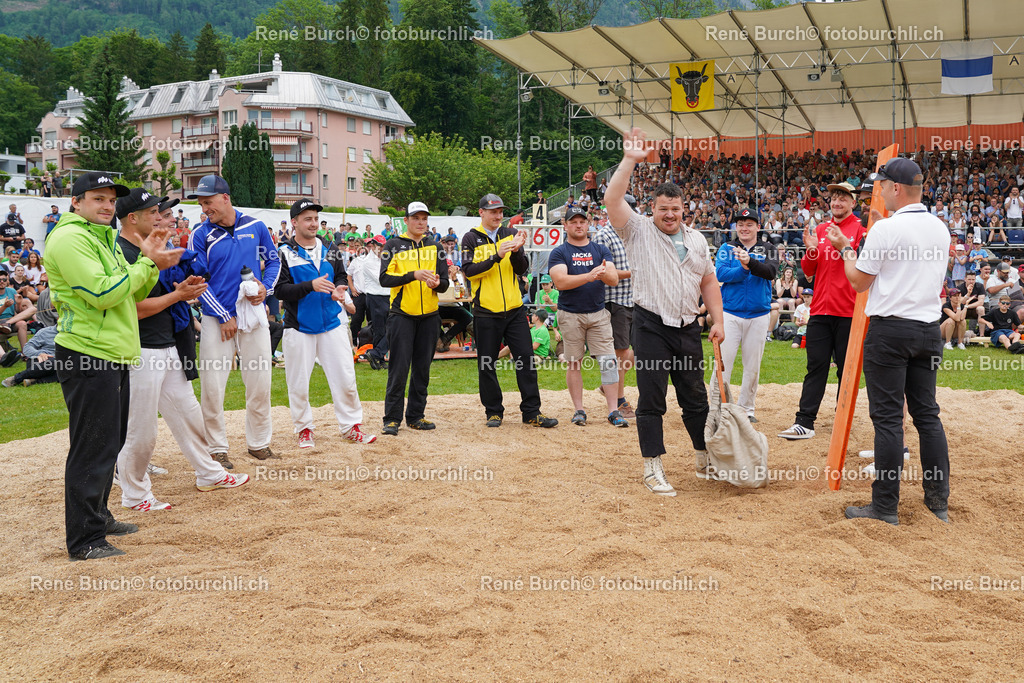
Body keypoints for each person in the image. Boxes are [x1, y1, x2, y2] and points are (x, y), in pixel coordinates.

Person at [46, 171, 183, 560]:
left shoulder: (100, 237)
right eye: (97, 199)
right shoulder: (71, 238)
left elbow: (132, 291)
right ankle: (85, 540)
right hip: (87, 353)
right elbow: (104, 293)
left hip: (110, 353)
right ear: (76, 202)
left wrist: (150, 263)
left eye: (110, 200)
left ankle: (99, 517)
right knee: (92, 448)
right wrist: (147, 262)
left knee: (108, 443)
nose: (106, 206)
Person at [826, 157, 950, 525]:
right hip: (928, 329)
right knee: (927, 415)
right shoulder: (940, 228)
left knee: (888, 420)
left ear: (896, 188)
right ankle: (937, 501)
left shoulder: (886, 230)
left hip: (890, 330)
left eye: (881, 186)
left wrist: (846, 248)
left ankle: (884, 507)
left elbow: (860, 281)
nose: (877, 192)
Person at [606, 127, 724, 497]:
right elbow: (612, 200)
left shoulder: (696, 239)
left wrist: (717, 319)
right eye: (663, 209)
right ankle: (652, 467)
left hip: (689, 326)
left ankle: (703, 457)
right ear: (652, 209)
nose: (669, 214)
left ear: (683, 209)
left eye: (675, 209)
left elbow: (709, 281)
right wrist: (629, 160)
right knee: (652, 398)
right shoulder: (637, 229)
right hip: (651, 324)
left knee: (695, 398)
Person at [114, 188, 249, 512]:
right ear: (133, 219)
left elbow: (160, 296)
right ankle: (134, 494)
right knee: (141, 431)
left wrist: (181, 290)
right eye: (154, 213)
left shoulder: (154, 249)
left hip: (166, 345)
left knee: (190, 415)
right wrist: (177, 296)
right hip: (140, 350)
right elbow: (133, 308)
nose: (161, 218)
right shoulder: (122, 253)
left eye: (162, 212)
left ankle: (209, 473)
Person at [187, 175, 280, 467]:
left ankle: (259, 443)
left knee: (260, 381)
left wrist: (266, 288)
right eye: (201, 203)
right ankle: (216, 448)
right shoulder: (200, 234)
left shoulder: (256, 226)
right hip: (218, 319)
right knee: (213, 386)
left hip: (253, 316)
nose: (204, 208)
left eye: (208, 201)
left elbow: (274, 260)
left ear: (225, 197)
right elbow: (199, 280)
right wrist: (224, 315)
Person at [276, 199, 376, 448]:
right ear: (295, 222)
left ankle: (351, 426)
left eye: (315, 219)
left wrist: (340, 288)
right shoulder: (284, 251)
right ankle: (304, 429)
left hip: (332, 322)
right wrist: (310, 286)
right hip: (299, 326)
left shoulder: (330, 247)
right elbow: (280, 290)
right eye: (307, 218)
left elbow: (341, 275)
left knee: (345, 377)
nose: (313, 223)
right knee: (298, 382)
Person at [779, 180, 866, 440]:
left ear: (853, 202)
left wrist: (844, 247)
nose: (837, 202)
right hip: (819, 311)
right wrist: (812, 251)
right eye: (834, 198)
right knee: (815, 366)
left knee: (846, 371)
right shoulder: (823, 228)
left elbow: (865, 269)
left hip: (849, 312)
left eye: (843, 198)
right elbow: (807, 272)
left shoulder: (861, 230)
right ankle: (804, 422)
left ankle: (843, 422)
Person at [461, 193, 557, 428]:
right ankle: (493, 411)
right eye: (493, 211)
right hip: (486, 310)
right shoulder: (470, 238)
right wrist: (497, 255)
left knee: (526, 360)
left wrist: (516, 252)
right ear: (481, 212)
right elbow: (469, 271)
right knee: (487, 363)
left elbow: (522, 269)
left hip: (514, 308)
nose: (498, 215)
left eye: (501, 211)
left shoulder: (511, 233)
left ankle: (532, 411)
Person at [547, 206, 624, 427]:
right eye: (574, 222)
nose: (578, 225)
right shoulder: (559, 252)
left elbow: (613, 279)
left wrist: (602, 273)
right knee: (574, 363)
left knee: (609, 362)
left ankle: (613, 411)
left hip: (598, 313)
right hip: (570, 314)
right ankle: (579, 410)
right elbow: (560, 282)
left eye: (582, 221)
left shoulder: (600, 249)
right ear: (565, 225)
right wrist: (590, 276)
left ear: (588, 223)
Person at [378, 201, 449, 435]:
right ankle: (391, 419)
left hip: (429, 315)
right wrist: (413, 275)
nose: (420, 222)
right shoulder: (392, 245)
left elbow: (445, 282)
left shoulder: (436, 246)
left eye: (424, 218)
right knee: (398, 369)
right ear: (406, 220)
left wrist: (438, 284)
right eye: (416, 218)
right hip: (402, 315)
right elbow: (384, 279)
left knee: (422, 369)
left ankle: (416, 416)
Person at [715, 207, 778, 422]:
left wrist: (749, 262)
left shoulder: (769, 247)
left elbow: (770, 272)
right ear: (736, 227)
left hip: (758, 314)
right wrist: (743, 269)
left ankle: (747, 409)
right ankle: (720, 407)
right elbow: (721, 273)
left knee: (752, 366)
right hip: (730, 313)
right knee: (723, 363)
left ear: (758, 227)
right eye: (740, 224)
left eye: (749, 224)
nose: (744, 228)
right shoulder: (726, 247)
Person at [592, 204, 636, 419]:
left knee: (636, 350)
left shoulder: (634, 234)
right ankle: (619, 399)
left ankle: (607, 385)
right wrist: (634, 273)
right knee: (620, 351)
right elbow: (604, 272)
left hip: (635, 299)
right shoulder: (604, 236)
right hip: (615, 300)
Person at [348, 235, 391, 369]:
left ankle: (376, 354)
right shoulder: (367, 262)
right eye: (380, 246)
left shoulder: (386, 258)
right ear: (373, 246)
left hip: (387, 296)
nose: (382, 249)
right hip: (376, 297)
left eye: (384, 246)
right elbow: (382, 280)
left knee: (392, 327)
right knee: (379, 329)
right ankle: (379, 358)